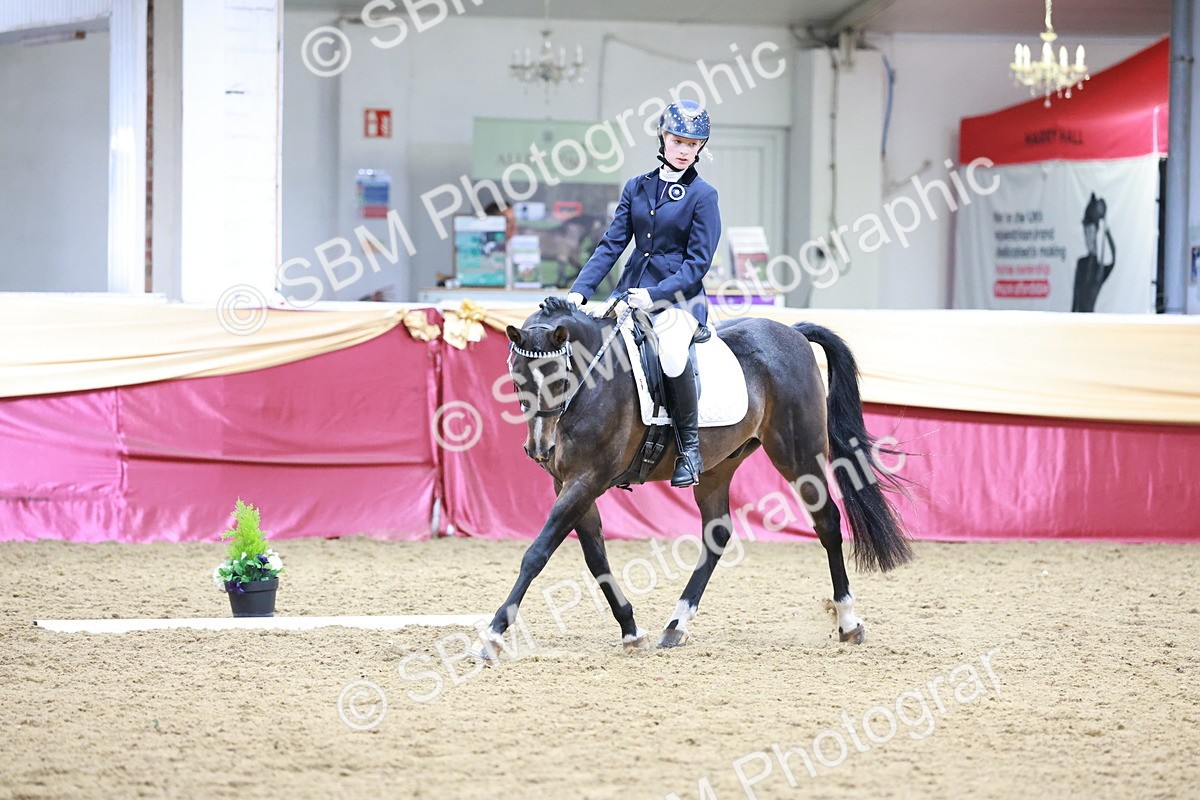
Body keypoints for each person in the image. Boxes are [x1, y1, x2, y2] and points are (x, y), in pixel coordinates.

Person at [567, 99, 720, 488]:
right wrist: (580, 291)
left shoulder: (704, 195)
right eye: (678, 140)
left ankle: (689, 449)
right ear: (663, 138)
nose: (685, 150)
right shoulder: (637, 186)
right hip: (628, 291)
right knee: (596, 348)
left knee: (670, 354)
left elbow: (697, 264)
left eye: (693, 144)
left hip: (679, 299)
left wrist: (656, 296)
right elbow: (612, 244)